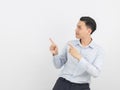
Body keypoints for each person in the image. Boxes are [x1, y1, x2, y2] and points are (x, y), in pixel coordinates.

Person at [49, 16, 104, 90]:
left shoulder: (98, 50)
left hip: (81, 87)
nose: (75, 30)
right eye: (76, 27)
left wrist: (79, 57)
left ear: (89, 31)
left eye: (79, 27)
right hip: (62, 83)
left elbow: (96, 73)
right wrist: (55, 54)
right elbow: (58, 65)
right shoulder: (70, 44)